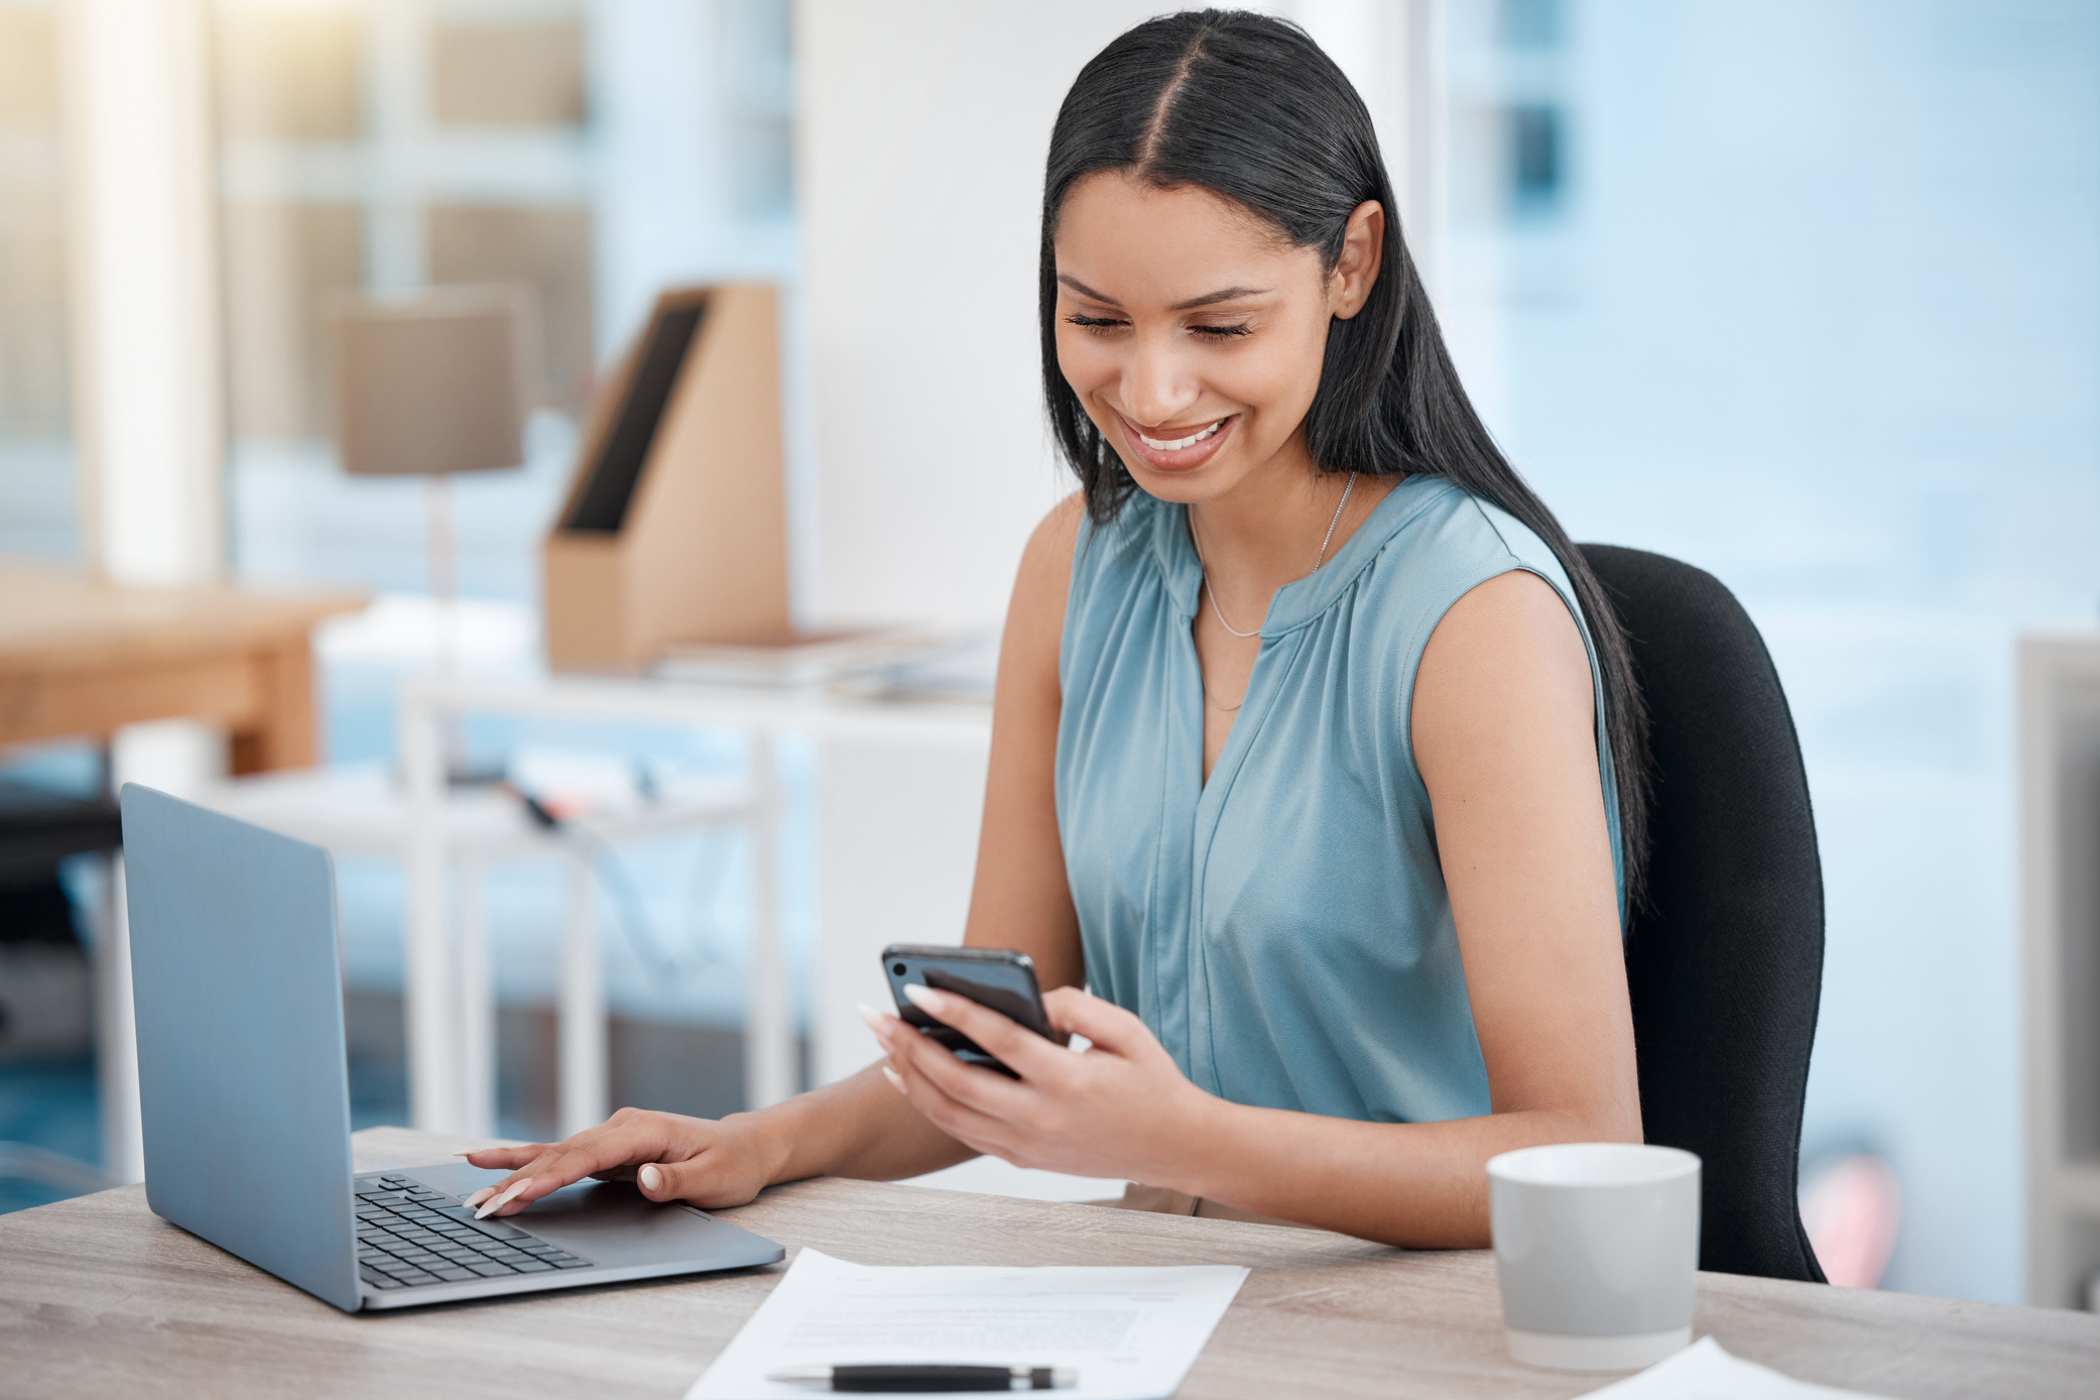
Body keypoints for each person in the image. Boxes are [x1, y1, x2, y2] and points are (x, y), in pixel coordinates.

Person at [462, 7, 1651, 1249]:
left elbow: (1578, 1143)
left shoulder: (1475, 616)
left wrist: (1178, 1136)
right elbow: (995, 1050)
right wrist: (751, 1145)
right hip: (1165, 1290)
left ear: (1351, 265)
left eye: (1220, 326)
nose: (1151, 391)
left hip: (1410, 1323)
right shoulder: (1079, 565)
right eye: (1097, 320)